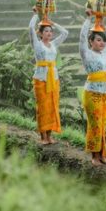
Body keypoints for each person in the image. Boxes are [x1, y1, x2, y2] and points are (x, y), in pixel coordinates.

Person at [79, 12, 106, 166]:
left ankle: (102, 155)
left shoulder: (104, 53)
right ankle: (94, 156)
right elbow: (81, 37)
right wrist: (88, 20)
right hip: (93, 93)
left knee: (103, 125)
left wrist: (103, 26)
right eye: (99, 40)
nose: (102, 43)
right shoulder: (86, 53)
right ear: (91, 41)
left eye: (103, 41)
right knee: (95, 125)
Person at [29, 11, 68, 145]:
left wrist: (53, 24)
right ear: (40, 33)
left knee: (52, 107)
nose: (49, 33)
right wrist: (35, 15)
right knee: (43, 108)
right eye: (46, 31)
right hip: (41, 78)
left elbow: (65, 33)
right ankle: (43, 136)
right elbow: (30, 28)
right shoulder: (37, 44)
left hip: (54, 78)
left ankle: (50, 135)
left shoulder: (53, 44)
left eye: (50, 31)